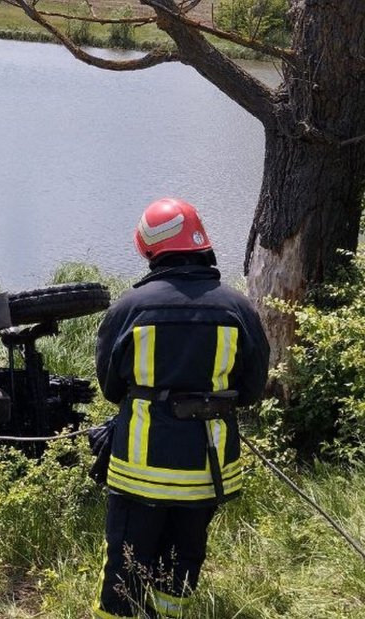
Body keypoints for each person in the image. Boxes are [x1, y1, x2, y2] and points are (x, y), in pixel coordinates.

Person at [92, 198, 269, 618]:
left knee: (125, 563)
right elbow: (251, 390)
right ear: (200, 244)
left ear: (150, 248)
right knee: (183, 559)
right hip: (206, 469)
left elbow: (110, 387)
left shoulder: (129, 308)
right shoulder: (239, 308)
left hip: (140, 469)